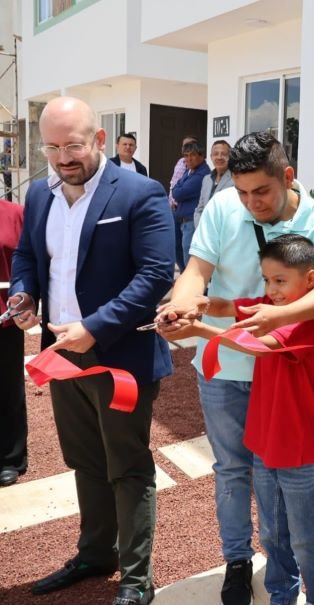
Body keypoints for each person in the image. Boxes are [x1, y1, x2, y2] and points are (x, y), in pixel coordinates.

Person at [156, 131, 314, 605]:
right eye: (241, 191)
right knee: (232, 471)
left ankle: (302, 582)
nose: (249, 202)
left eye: (260, 191)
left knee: (287, 497)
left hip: (279, 377)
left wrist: (275, 316)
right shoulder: (225, 207)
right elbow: (196, 274)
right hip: (222, 371)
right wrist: (180, 310)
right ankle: (238, 561)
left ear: (288, 176)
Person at [9, 96, 174, 605]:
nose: (63, 158)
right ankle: (96, 552)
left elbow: (154, 275)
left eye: (74, 145)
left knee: (126, 464)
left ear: (100, 139)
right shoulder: (40, 195)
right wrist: (24, 292)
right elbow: (29, 255)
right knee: (84, 460)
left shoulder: (140, 193)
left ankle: (136, 578)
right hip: (63, 353)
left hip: (120, 355)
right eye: (53, 147)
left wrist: (94, 329)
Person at [173, 234, 314, 605]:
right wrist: (199, 304)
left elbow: (258, 344)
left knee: (306, 536)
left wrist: (199, 330)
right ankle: (282, 593)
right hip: (265, 442)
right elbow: (232, 307)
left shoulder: (312, 317)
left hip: (300, 448)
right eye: (266, 280)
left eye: (280, 281)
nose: (271, 290)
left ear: (310, 280)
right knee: (273, 533)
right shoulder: (269, 305)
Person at [0, 198, 25, 487]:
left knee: (7, 388)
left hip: (4, 320)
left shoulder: (14, 213)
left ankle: (10, 457)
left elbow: (26, 261)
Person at [171, 140, 210, 265]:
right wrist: (178, 188)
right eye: (186, 155)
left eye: (192, 155)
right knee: (179, 253)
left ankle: (189, 282)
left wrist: (178, 188)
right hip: (181, 220)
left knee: (188, 256)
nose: (189, 159)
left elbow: (178, 193)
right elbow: (175, 188)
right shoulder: (189, 171)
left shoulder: (202, 174)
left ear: (201, 155)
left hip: (191, 221)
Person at [168, 136, 198, 272]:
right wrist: (172, 199)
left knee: (187, 250)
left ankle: (188, 279)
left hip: (189, 217)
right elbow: (174, 184)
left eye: (191, 147)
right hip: (175, 209)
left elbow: (180, 191)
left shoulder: (201, 171)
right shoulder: (181, 164)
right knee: (176, 246)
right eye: (185, 148)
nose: (188, 154)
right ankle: (183, 272)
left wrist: (177, 191)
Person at [194, 139, 233, 227]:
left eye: (224, 154)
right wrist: (201, 228)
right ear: (211, 157)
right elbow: (199, 209)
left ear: (230, 157)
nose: (219, 157)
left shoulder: (236, 179)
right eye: (215, 154)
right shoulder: (206, 179)